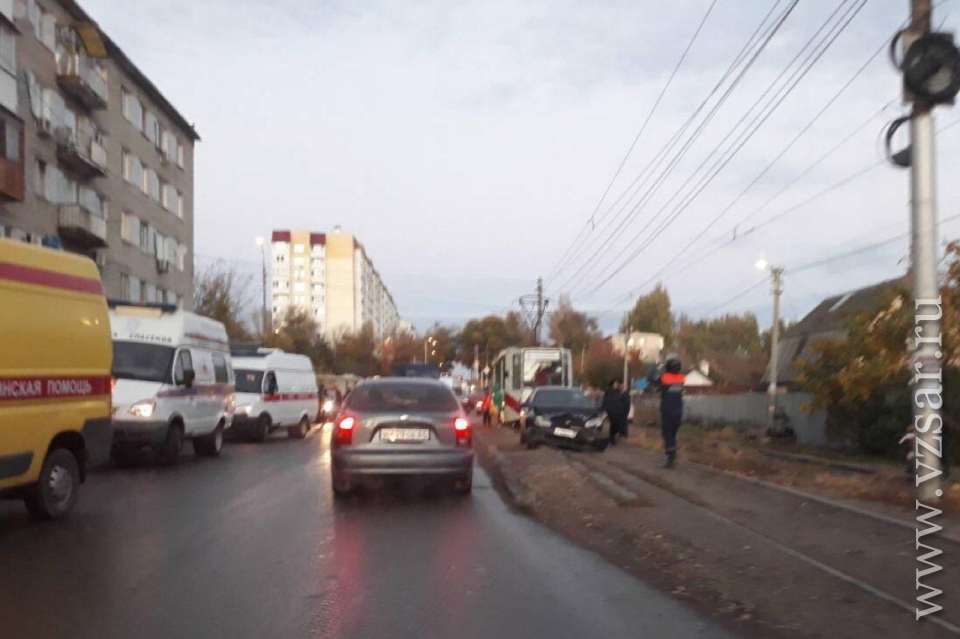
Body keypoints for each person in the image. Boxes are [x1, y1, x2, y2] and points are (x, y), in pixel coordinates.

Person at [649, 356, 685, 468]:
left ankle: (671, 457)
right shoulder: (681, 378)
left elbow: (651, 379)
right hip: (678, 411)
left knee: (667, 434)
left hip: (667, 411)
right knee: (673, 434)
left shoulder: (664, 378)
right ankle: (672, 453)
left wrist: (655, 369)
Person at [602, 379, 630, 446]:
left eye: (617, 384)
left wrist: (624, 411)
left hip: (619, 411)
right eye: (615, 384)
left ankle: (613, 438)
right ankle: (612, 439)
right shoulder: (609, 392)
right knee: (614, 425)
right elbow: (605, 401)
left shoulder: (620, 393)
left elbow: (625, 402)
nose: (616, 385)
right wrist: (605, 410)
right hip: (612, 411)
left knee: (617, 425)